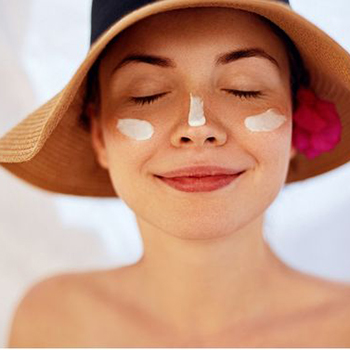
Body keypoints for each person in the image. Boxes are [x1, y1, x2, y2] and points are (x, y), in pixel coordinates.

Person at [3, 0, 350, 347]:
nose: (197, 126)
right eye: (147, 94)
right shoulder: (52, 325)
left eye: (244, 88)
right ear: (99, 136)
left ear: (296, 119)